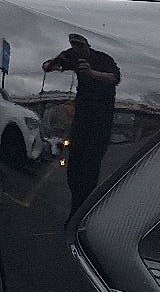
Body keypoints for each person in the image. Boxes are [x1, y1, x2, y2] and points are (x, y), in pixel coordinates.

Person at [42, 34, 120, 208]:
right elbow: (47, 67)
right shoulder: (72, 56)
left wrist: (91, 73)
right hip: (82, 115)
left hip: (102, 116)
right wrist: (58, 60)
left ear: (87, 45)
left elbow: (115, 78)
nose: (76, 48)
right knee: (74, 161)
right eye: (73, 45)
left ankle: (84, 204)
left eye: (79, 45)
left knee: (91, 162)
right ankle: (77, 200)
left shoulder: (102, 58)